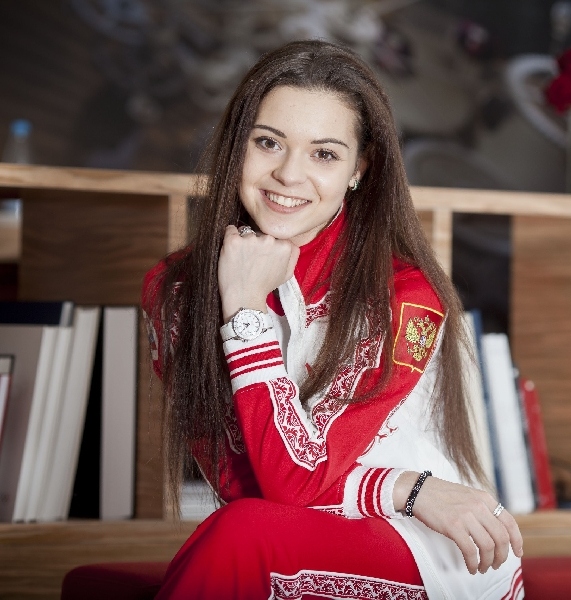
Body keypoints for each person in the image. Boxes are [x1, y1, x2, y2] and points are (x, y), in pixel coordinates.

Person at [141, 39, 524, 600]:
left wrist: (243, 309)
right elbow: (240, 481)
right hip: (368, 509)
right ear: (236, 146)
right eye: (268, 143)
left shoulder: (403, 296)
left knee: (242, 535)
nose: (288, 175)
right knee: (243, 528)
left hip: (431, 543)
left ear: (358, 169)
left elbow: (292, 484)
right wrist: (406, 488)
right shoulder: (175, 289)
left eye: (323, 154)